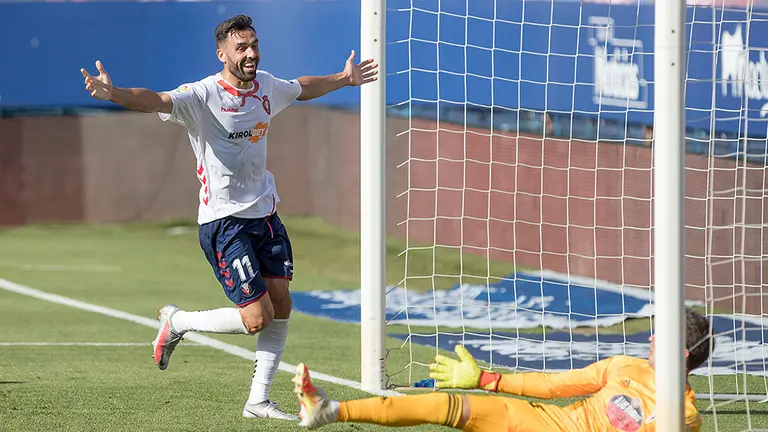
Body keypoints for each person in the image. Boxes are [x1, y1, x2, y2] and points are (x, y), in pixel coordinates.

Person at [80, 14, 378, 420]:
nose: (251, 53)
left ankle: (257, 401)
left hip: (266, 214)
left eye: (254, 45)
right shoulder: (201, 95)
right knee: (256, 319)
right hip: (223, 222)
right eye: (242, 48)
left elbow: (301, 88)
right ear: (222, 54)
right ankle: (179, 322)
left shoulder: (267, 86)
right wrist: (113, 93)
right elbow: (155, 100)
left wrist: (342, 79)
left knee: (281, 302)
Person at [293, 308, 714, 431]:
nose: (650, 340)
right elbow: (554, 384)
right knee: (442, 404)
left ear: (681, 354)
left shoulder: (685, 416)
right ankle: (328, 410)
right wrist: (486, 380)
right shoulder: (624, 365)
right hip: (543, 422)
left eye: (660, 338)